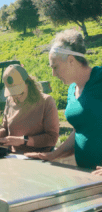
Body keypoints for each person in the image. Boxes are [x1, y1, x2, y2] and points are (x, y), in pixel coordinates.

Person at [25, 29, 102, 175]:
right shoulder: (72, 89)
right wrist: (53, 155)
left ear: (71, 61)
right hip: (87, 176)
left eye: (55, 67)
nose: (53, 74)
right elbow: (80, 130)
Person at [0, 64, 59, 153]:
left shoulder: (46, 102)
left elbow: (52, 138)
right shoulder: (9, 101)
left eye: (20, 92)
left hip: (39, 158)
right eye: (12, 93)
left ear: (28, 83)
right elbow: (6, 129)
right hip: (14, 156)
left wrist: (23, 140)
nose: (16, 96)